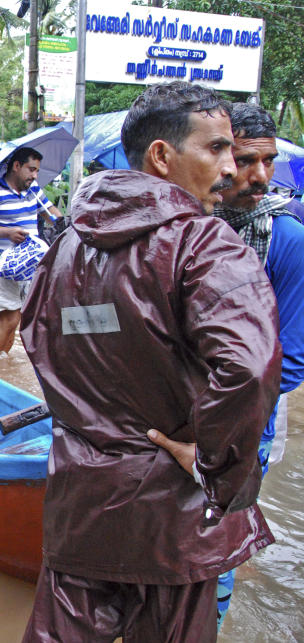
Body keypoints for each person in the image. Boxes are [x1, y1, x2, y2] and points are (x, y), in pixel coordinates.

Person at [19, 81, 282, 641]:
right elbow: (250, 369)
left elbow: (37, 338)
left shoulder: (67, 243)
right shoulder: (204, 243)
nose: (232, 168)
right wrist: (217, 469)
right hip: (172, 517)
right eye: (216, 149)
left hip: (81, 499)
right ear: (162, 156)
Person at [210, 102, 304, 628]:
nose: (260, 176)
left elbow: (291, 360)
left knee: (218, 547)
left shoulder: (286, 239)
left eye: (268, 162)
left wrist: (220, 420)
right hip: (176, 420)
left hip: (244, 425)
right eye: (246, 161)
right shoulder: (191, 224)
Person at [0, 146, 63, 357]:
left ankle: (2, 363)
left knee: (22, 318)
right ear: (16, 166)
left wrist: (62, 222)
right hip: (0, 262)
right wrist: (7, 233)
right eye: (31, 169)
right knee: (9, 318)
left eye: (37, 170)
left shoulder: (33, 190)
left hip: (29, 262)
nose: (34, 175)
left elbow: (51, 213)